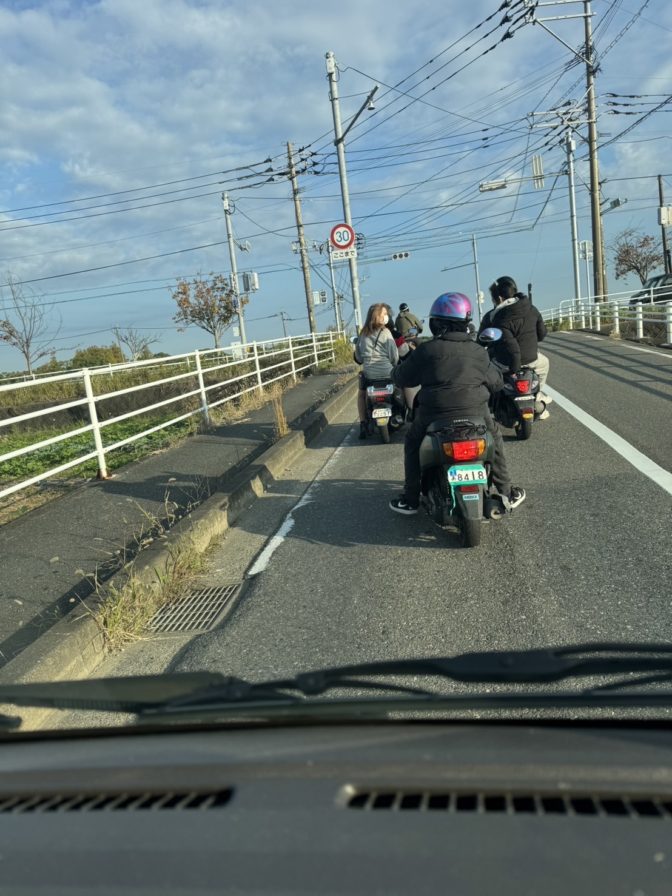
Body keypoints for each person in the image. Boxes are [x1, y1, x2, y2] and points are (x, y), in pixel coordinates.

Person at [389, 292, 526, 515]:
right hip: (476, 413)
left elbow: (403, 378)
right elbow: (496, 382)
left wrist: (395, 371)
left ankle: (411, 498)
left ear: (436, 323)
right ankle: (506, 491)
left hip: (434, 413)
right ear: (465, 323)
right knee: (496, 439)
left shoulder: (426, 350)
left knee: (412, 442)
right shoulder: (478, 352)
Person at [480, 276, 551, 419]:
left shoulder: (495, 316)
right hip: (532, 359)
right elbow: (542, 334)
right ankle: (537, 394)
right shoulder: (531, 308)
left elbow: (482, 341)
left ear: (499, 298)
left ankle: (491, 404)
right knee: (545, 363)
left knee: (485, 374)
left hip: (505, 363)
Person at [353, 303, 399, 440]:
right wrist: (393, 365)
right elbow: (394, 356)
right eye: (384, 314)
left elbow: (359, 357)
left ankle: (362, 424)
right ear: (377, 316)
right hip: (387, 373)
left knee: (361, 395)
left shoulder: (363, 333)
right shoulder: (386, 332)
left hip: (370, 376)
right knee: (401, 385)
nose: (386, 317)